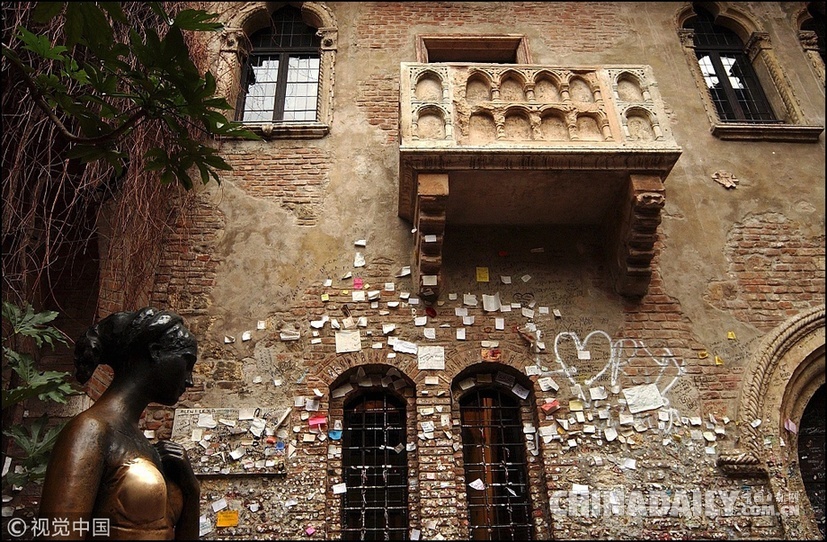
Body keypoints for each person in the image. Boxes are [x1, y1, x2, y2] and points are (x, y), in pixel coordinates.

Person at [38, 308, 200, 540]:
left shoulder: (146, 447)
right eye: (186, 362)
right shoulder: (91, 430)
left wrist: (192, 490)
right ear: (155, 352)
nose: (190, 380)